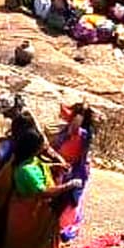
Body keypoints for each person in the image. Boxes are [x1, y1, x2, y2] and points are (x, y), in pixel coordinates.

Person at [52, 103, 93, 241]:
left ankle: (62, 227)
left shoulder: (82, 133)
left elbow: (74, 126)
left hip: (75, 170)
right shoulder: (68, 130)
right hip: (63, 167)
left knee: (70, 200)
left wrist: (80, 112)